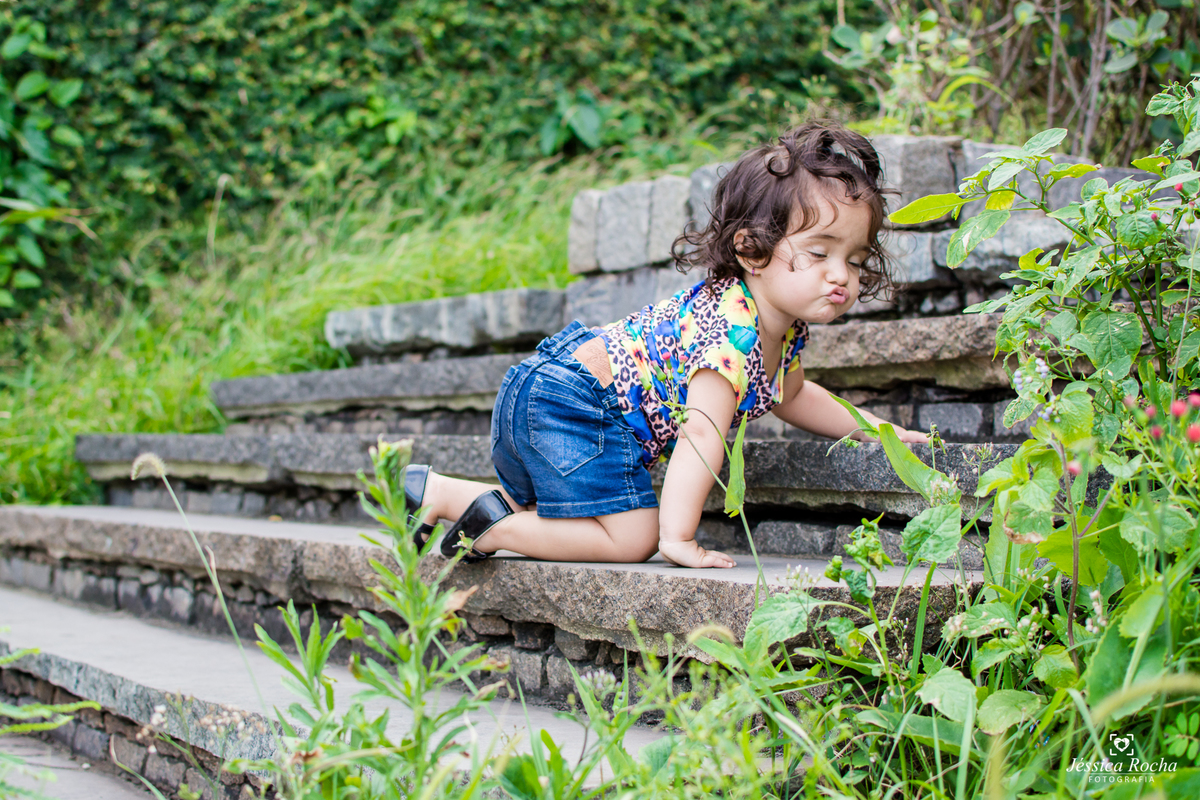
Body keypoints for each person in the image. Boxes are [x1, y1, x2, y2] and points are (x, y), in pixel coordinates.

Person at [402, 122, 927, 569]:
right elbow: (702, 432)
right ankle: (487, 530)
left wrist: (883, 432)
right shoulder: (732, 332)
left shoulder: (781, 330)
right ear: (752, 249)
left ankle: (443, 496)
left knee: (568, 518)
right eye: (819, 253)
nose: (842, 277)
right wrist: (676, 538)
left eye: (855, 261)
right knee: (633, 537)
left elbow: (794, 396)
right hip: (572, 406)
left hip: (545, 396)